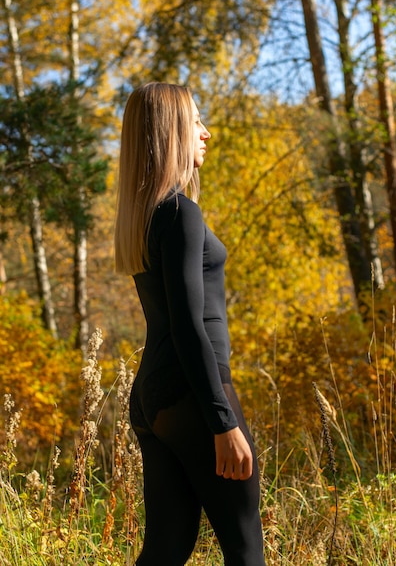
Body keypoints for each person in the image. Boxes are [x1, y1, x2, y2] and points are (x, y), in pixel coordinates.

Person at [114, 82, 265, 566]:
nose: (207, 133)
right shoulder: (180, 214)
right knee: (245, 549)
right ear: (172, 131)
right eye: (195, 122)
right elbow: (188, 325)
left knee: (165, 550)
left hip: (153, 400)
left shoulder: (148, 216)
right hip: (193, 395)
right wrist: (222, 421)